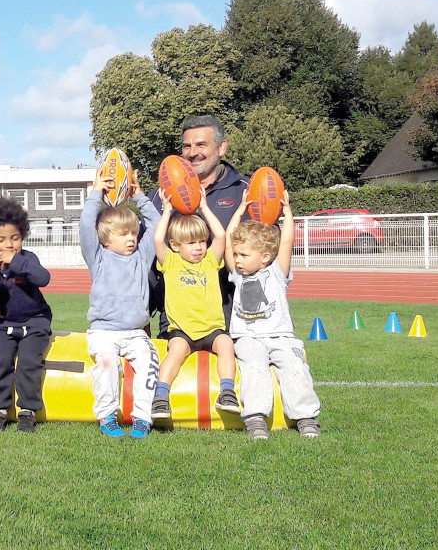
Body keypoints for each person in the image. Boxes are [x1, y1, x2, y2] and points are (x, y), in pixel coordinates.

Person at [225, 190, 321, 439]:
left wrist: (287, 214)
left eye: (244, 255)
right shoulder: (237, 275)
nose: (237, 260)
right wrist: (239, 211)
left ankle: (306, 417)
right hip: (248, 338)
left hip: (280, 337)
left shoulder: (277, 273)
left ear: (266, 257)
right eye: (236, 255)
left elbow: (287, 242)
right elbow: (228, 239)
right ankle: (255, 418)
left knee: (294, 365)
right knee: (254, 367)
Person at [148, 115, 249, 336]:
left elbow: (265, 249)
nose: (193, 152)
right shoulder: (160, 196)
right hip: (175, 320)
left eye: (201, 144)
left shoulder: (244, 191)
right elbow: (145, 257)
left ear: (222, 148)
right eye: (187, 146)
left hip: (230, 318)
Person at [81, 170, 160, 439]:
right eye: (123, 233)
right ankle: (106, 414)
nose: (131, 238)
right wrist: (95, 194)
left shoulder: (142, 255)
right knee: (106, 362)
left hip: (137, 333)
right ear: (104, 239)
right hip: (104, 331)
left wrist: (138, 196)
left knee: (150, 361)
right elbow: (85, 225)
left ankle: (142, 416)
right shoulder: (98, 257)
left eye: (134, 232)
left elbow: (156, 223)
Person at [152, 187, 241, 421]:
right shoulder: (170, 263)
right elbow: (157, 238)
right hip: (183, 331)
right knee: (176, 352)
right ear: (175, 245)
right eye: (191, 243)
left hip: (212, 328)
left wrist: (204, 207)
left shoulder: (211, 261)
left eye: (202, 241)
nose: (199, 247)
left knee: (226, 345)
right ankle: (161, 396)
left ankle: (227, 391)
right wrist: (167, 210)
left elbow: (221, 236)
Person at [0, 197, 52, 433]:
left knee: (29, 362)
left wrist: (16, 261)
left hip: (35, 322)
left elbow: (43, 278)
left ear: (23, 236)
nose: (8, 245)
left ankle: (27, 411)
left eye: (14, 238)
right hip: (3, 325)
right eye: (1, 240)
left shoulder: (27, 259)